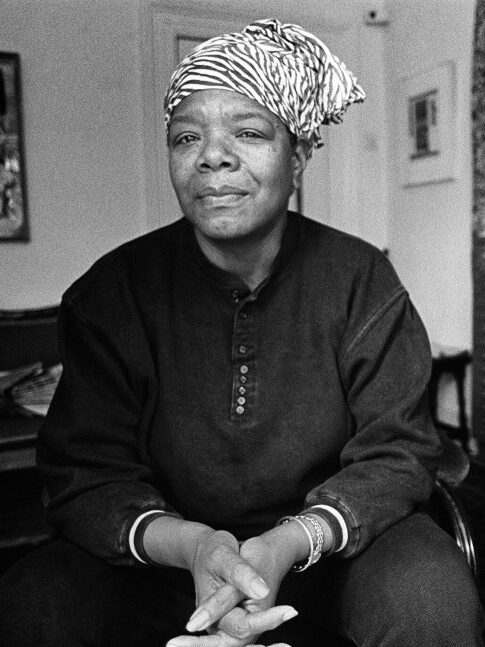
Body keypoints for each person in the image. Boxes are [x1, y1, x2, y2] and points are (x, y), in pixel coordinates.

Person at [0, 18, 483, 647]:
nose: (212, 156)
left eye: (249, 133)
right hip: (163, 565)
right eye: (186, 137)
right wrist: (199, 547)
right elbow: (84, 474)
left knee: (431, 597)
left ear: (301, 155)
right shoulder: (111, 294)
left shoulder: (360, 278)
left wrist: (287, 542)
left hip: (327, 555)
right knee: (33, 602)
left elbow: (397, 453)